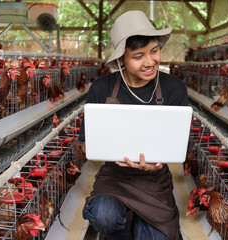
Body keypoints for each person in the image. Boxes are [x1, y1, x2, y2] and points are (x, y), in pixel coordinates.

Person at [78, 10, 188, 240]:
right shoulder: (102, 88)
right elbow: (86, 147)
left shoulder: (174, 88)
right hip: (115, 177)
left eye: (154, 51)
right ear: (121, 60)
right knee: (104, 217)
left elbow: (175, 144)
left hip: (155, 180)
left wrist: (156, 165)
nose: (150, 62)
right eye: (138, 56)